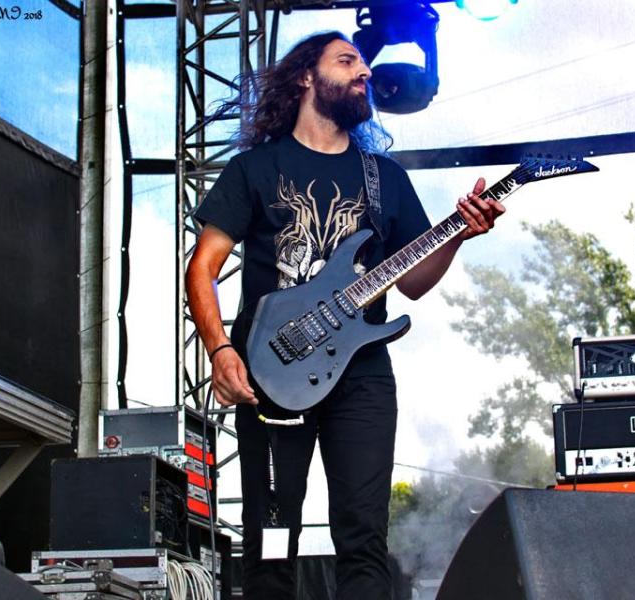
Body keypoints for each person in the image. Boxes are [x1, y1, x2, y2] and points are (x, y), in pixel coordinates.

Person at [186, 31, 504, 600]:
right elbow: (202, 267)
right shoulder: (255, 169)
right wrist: (220, 349)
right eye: (347, 60)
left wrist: (459, 235)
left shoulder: (385, 178)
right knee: (271, 540)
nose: (364, 71)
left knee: (364, 539)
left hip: (361, 375)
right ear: (306, 76)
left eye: (363, 63)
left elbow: (413, 283)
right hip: (271, 369)